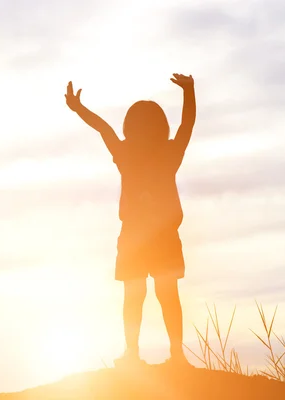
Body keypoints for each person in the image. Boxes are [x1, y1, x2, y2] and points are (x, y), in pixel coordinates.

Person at [64, 73, 196, 366]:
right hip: (155, 237)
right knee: (163, 295)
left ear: (130, 126)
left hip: (140, 236)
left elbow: (103, 128)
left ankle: (139, 355)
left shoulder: (127, 151)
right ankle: (168, 355)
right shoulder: (166, 152)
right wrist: (189, 91)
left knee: (139, 295)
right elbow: (186, 125)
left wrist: (78, 108)